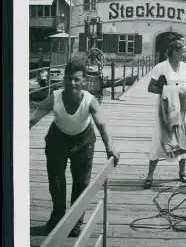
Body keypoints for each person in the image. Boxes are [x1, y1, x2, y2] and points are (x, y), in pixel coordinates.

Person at [29, 58, 120, 236]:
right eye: (69, 78)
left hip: (83, 141)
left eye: (77, 79)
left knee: (81, 183)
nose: (72, 83)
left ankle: (76, 224)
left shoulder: (90, 100)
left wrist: (110, 147)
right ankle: (56, 219)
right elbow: (33, 119)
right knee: (56, 182)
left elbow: (101, 125)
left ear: (84, 81)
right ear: (64, 79)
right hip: (58, 140)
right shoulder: (54, 98)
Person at [143, 40, 186, 189]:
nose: (185, 54)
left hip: (183, 108)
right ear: (175, 52)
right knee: (161, 138)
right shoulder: (161, 67)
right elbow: (151, 88)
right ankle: (150, 176)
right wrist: (168, 91)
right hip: (166, 108)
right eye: (183, 52)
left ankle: (182, 173)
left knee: (183, 137)